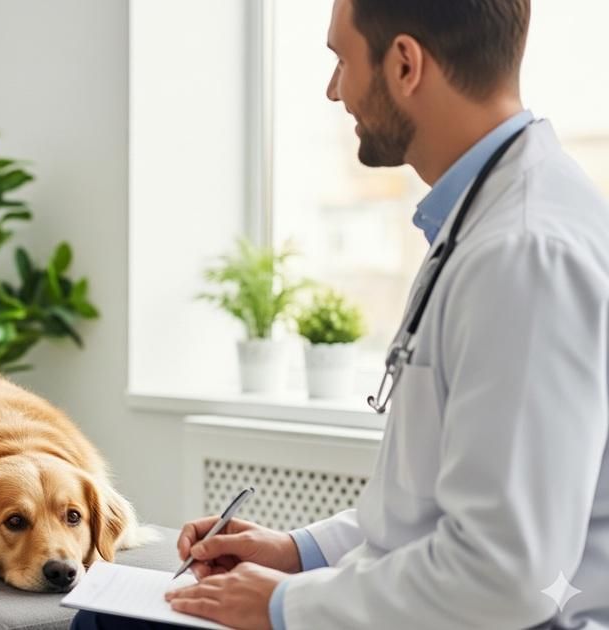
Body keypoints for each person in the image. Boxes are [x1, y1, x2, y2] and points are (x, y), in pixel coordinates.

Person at [74, 0, 609, 628]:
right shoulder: (482, 223)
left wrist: (282, 604)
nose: (334, 91)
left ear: (405, 64)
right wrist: (299, 552)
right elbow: (433, 509)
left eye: (341, 59)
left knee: (110, 621)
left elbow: (501, 573)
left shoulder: (523, 254)